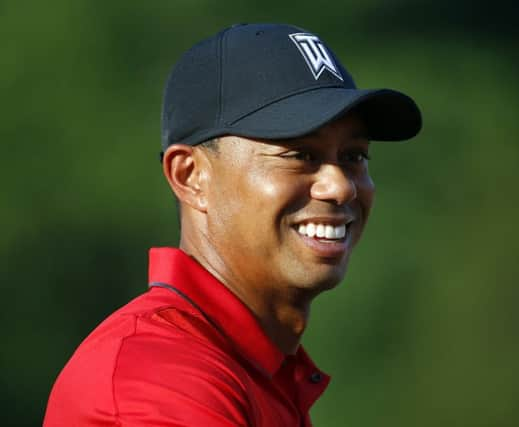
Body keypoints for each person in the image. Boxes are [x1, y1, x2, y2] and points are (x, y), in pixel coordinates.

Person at [43, 23, 421, 426]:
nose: (340, 186)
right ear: (190, 176)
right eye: (299, 155)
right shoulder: (154, 378)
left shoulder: (255, 370)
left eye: (354, 156)